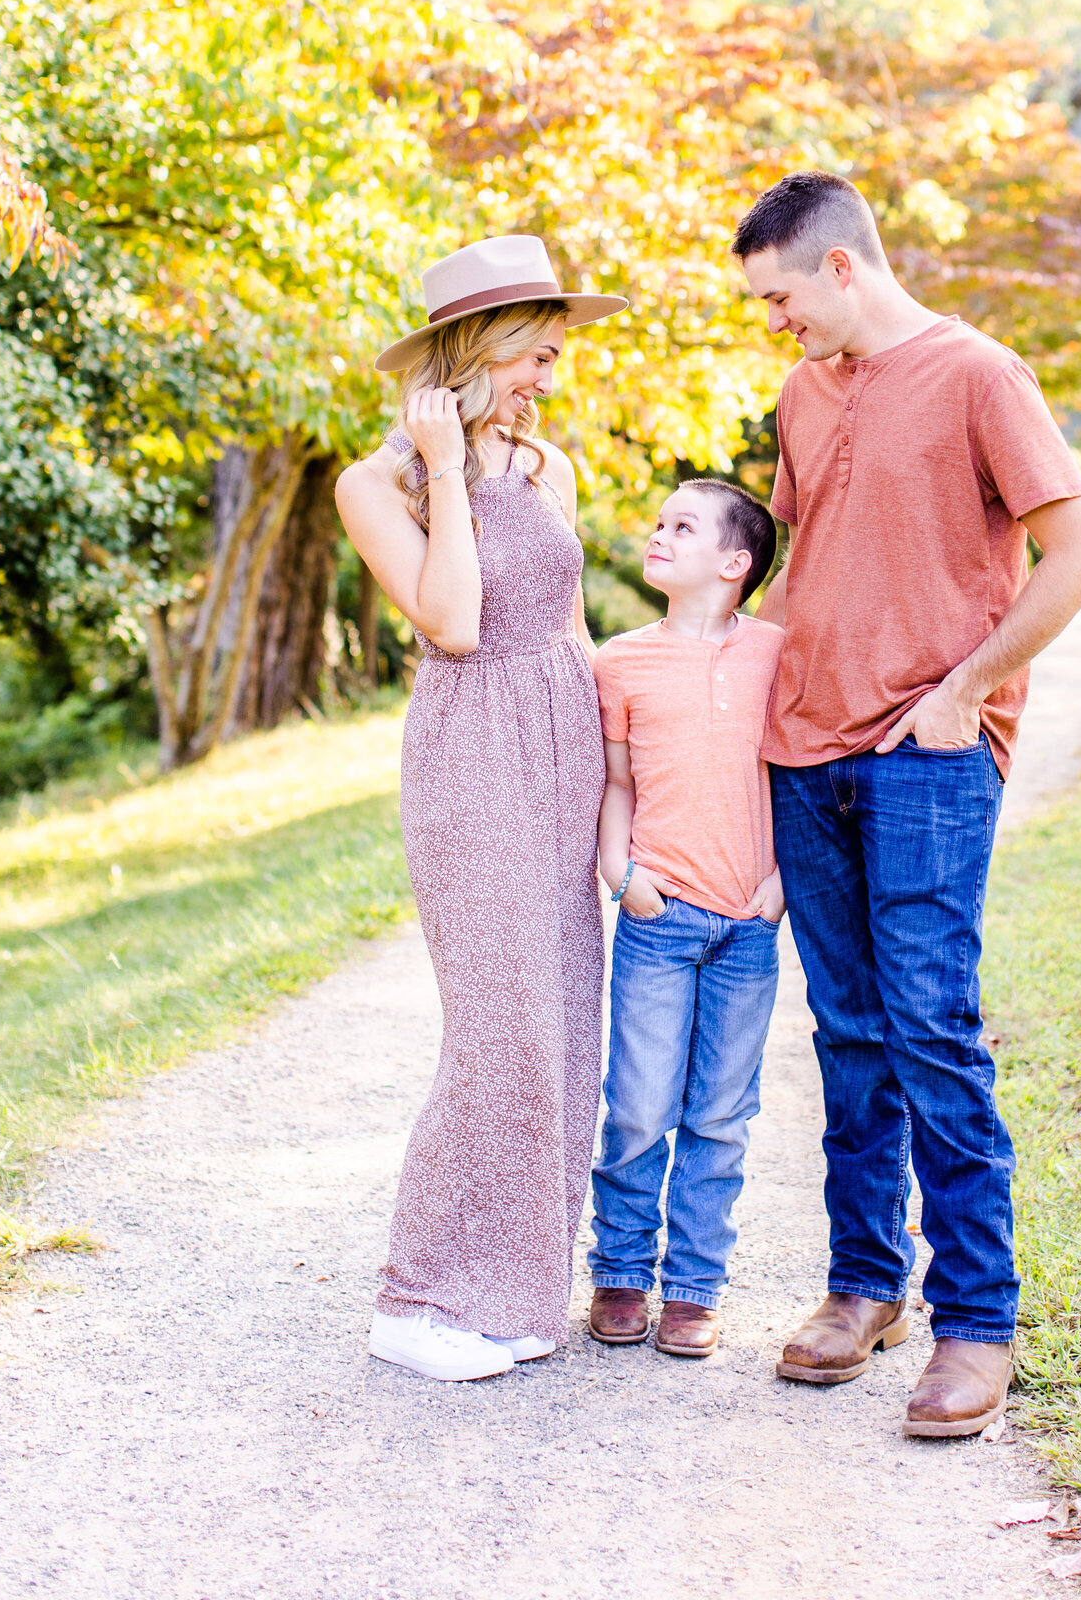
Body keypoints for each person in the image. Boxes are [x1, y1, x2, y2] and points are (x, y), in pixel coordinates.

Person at [733, 170, 1081, 1439]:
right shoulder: (801, 390)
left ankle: (977, 1320)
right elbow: (798, 573)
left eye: (779, 296)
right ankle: (861, 1287)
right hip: (804, 752)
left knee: (931, 1028)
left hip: (926, 753)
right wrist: (723, 697)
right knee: (845, 1034)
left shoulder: (978, 376)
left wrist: (966, 691)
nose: (772, 322)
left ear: (842, 266)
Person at [335, 233, 626, 1384]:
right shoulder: (376, 484)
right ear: (474, 349)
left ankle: (512, 1292)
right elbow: (454, 622)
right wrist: (446, 465)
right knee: (497, 1025)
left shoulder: (552, 468)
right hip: (470, 750)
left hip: (562, 745)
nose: (547, 380)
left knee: (561, 1022)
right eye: (532, 357)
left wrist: (624, 780)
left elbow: (573, 628)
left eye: (554, 358)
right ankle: (415, 1297)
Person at [587, 480, 786, 1359]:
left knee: (720, 1115)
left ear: (735, 564)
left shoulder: (780, 654)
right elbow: (618, 782)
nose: (658, 535)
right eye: (659, 523)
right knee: (636, 1104)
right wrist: (619, 870)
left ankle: (695, 1287)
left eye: (682, 526)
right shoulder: (620, 661)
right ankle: (622, 1271)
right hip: (657, 916)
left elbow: (797, 778)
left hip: (750, 924)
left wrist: (780, 884)